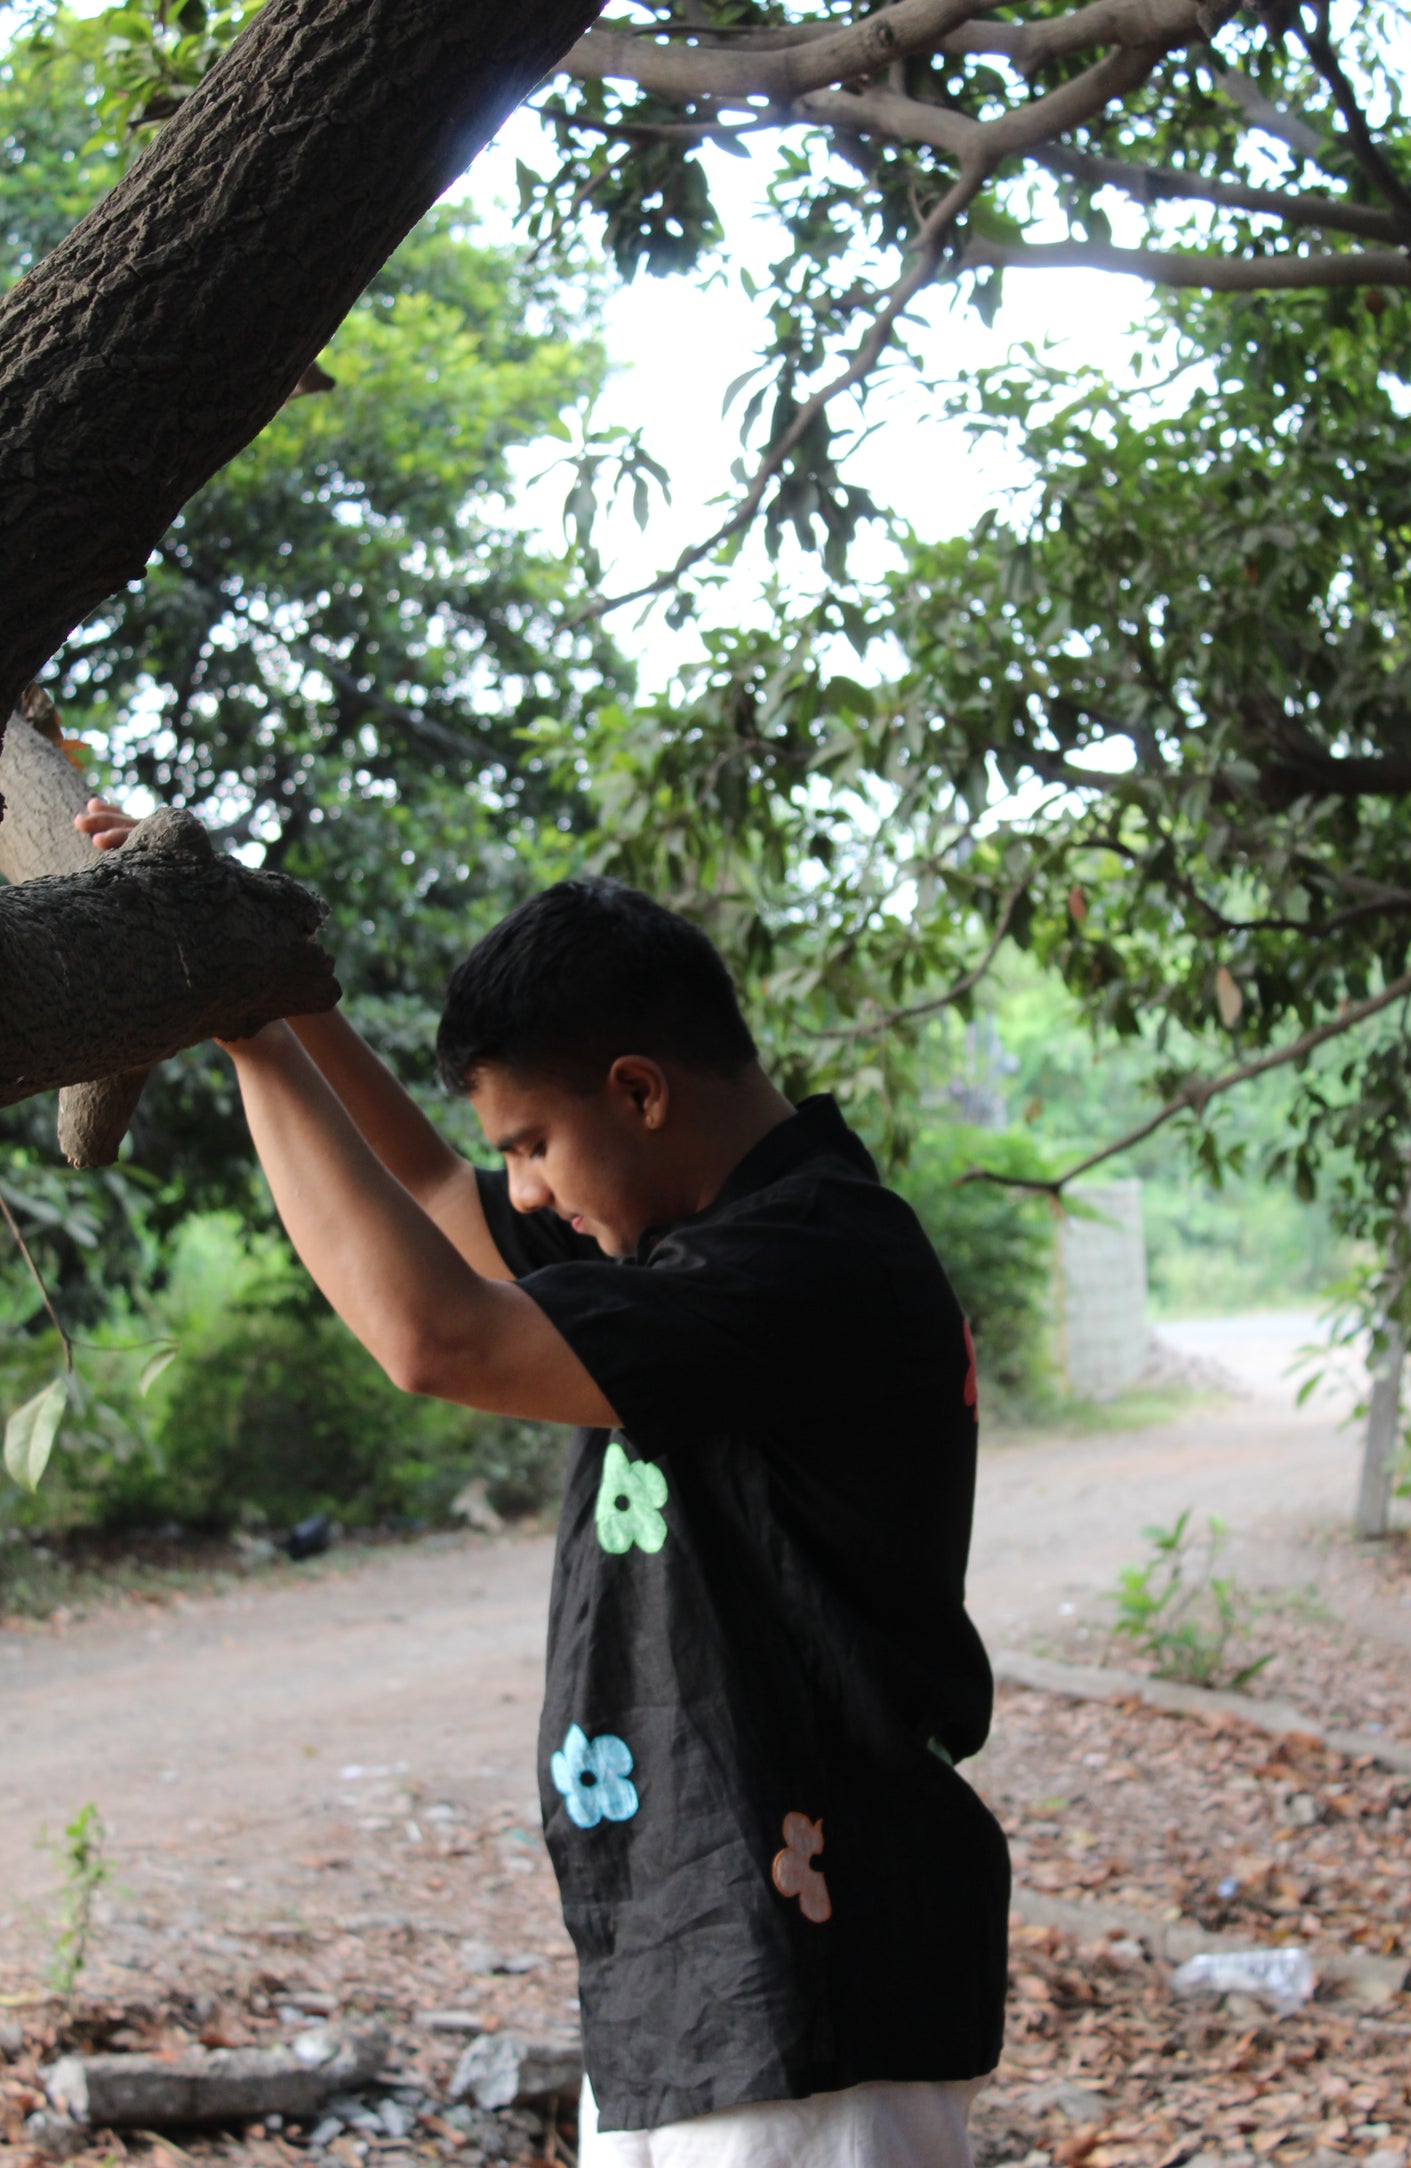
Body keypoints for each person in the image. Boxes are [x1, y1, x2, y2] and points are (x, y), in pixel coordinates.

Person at [79, 799, 1011, 2165]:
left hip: (812, 2013)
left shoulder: (807, 1261)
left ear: (638, 1090)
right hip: (704, 1982)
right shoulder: (699, 1252)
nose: (519, 1189)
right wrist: (264, 979)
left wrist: (235, 1020)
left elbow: (432, 1333)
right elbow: (422, 1188)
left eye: (531, 1144)